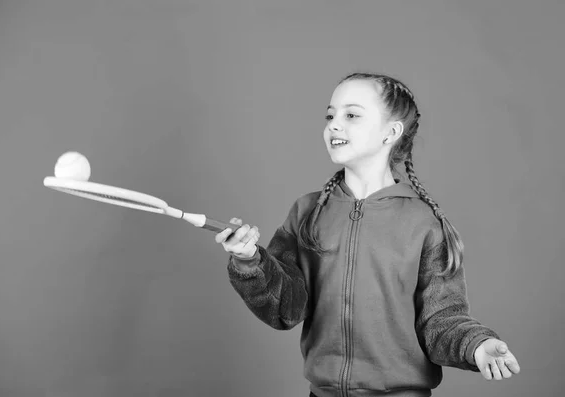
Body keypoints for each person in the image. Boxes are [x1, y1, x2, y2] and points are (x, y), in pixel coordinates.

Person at [215, 72, 521, 397]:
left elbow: (442, 319)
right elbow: (284, 309)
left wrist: (477, 345)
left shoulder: (424, 223)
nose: (334, 124)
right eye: (330, 115)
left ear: (391, 132)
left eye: (351, 115)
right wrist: (250, 261)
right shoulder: (306, 213)